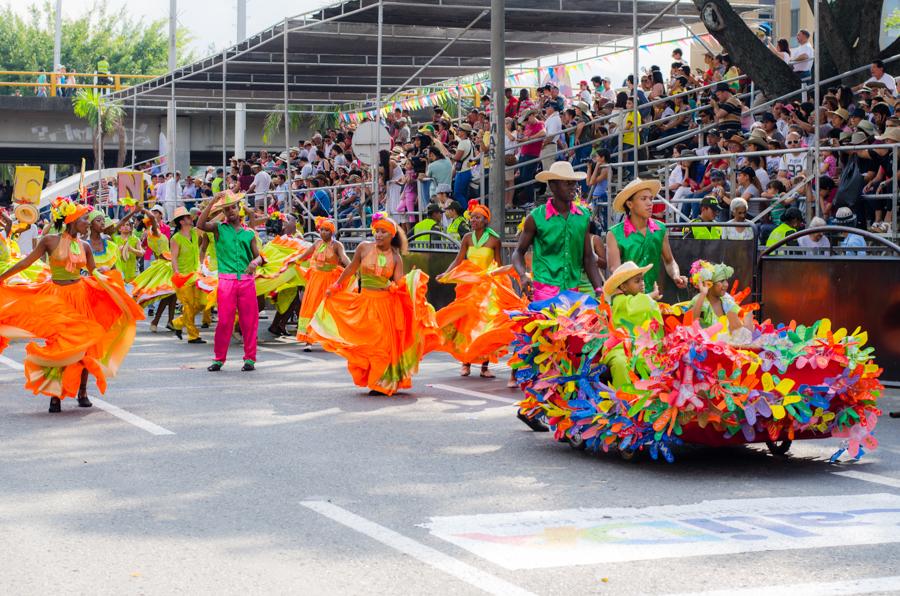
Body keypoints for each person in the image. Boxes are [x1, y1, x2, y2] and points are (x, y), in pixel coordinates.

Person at [0, 198, 144, 412]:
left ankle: (82, 391)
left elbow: (93, 271)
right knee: (61, 346)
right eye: (84, 218)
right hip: (56, 298)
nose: (88, 222)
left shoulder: (84, 246)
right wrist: (2, 277)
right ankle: (55, 394)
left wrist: (108, 280)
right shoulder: (49, 240)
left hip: (81, 295)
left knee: (86, 344)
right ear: (71, 220)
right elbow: (26, 262)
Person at [309, 214, 437, 396]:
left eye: (383, 232)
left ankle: (380, 383)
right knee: (366, 343)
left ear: (391, 235)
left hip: (385, 306)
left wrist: (404, 285)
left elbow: (399, 283)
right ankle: (373, 378)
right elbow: (351, 268)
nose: (378, 235)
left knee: (381, 345)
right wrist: (336, 285)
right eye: (377, 231)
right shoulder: (363, 248)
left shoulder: (396, 257)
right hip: (365, 302)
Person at [433, 200, 525, 381]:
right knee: (466, 324)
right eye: (472, 217)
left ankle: (485, 366)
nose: (473, 220)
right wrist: (447, 274)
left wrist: (501, 283)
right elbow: (458, 260)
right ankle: (465, 362)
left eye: (477, 217)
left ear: (485, 220)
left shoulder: (494, 240)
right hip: (468, 287)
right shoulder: (467, 238)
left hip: (487, 287)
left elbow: (498, 264)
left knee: (486, 326)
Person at [512, 161, 605, 301]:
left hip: (573, 293)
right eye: (567, 183)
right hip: (543, 293)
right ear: (553, 186)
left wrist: (598, 289)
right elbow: (518, 252)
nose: (573, 187)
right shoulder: (536, 217)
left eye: (573, 183)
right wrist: (523, 275)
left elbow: (588, 256)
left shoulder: (583, 217)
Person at [197, 191, 263, 372]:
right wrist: (213, 201)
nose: (230, 211)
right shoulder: (218, 228)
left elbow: (260, 258)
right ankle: (219, 359)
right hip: (226, 282)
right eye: (226, 209)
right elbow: (200, 224)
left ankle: (250, 359)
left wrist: (254, 262)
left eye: (232, 207)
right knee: (224, 322)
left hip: (247, 282)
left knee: (249, 322)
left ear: (239, 208)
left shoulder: (249, 234)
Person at [606, 179, 688, 291]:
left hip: (654, 300)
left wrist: (676, 275)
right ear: (630, 204)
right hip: (627, 302)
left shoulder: (660, 229)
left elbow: (670, 261)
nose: (650, 203)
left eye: (651, 198)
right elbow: (615, 270)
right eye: (643, 199)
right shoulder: (614, 234)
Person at [600, 261, 663, 389]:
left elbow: (655, 325)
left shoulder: (643, 301)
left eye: (642, 280)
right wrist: (651, 296)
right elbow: (634, 306)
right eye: (637, 281)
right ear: (623, 287)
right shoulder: (619, 301)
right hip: (620, 349)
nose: (642, 283)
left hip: (641, 349)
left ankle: (652, 401)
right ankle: (623, 401)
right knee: (620, 363)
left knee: (656, 364)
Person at [295, 217, 350, 347]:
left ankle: (331, 338)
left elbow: (344, 258)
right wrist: (292, 262)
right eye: (322, 230)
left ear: (332, 232)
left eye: (327, 230)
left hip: (330, 281)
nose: (324, 232)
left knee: (328, 308)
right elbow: (304, 256)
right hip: (315, 280)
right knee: (312, 307)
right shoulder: (316, 243)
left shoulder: (337, 245)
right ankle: (309, 338)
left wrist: (352, 267)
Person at [169, 206, 206, 344]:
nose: (191, 218)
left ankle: (178, 322)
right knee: (189, 305)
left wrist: (220, 206)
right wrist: (177, 272)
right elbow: (173, 257)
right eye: (188, 217)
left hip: (196, 274)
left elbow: (213, 220)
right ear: (181, 221)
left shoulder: (195, 233)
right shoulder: (176, 238)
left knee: (201, 303)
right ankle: (193, 335)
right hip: (183, 276)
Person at [688, 260, 752, 337]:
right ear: (709, 284)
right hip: (705, 345)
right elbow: (692, 322)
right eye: (721, 281)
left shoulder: (727, 300)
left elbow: (737, 325)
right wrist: (703, 294)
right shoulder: (699, 300)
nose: (726, 284)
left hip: (727, 344)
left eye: (726, 281)